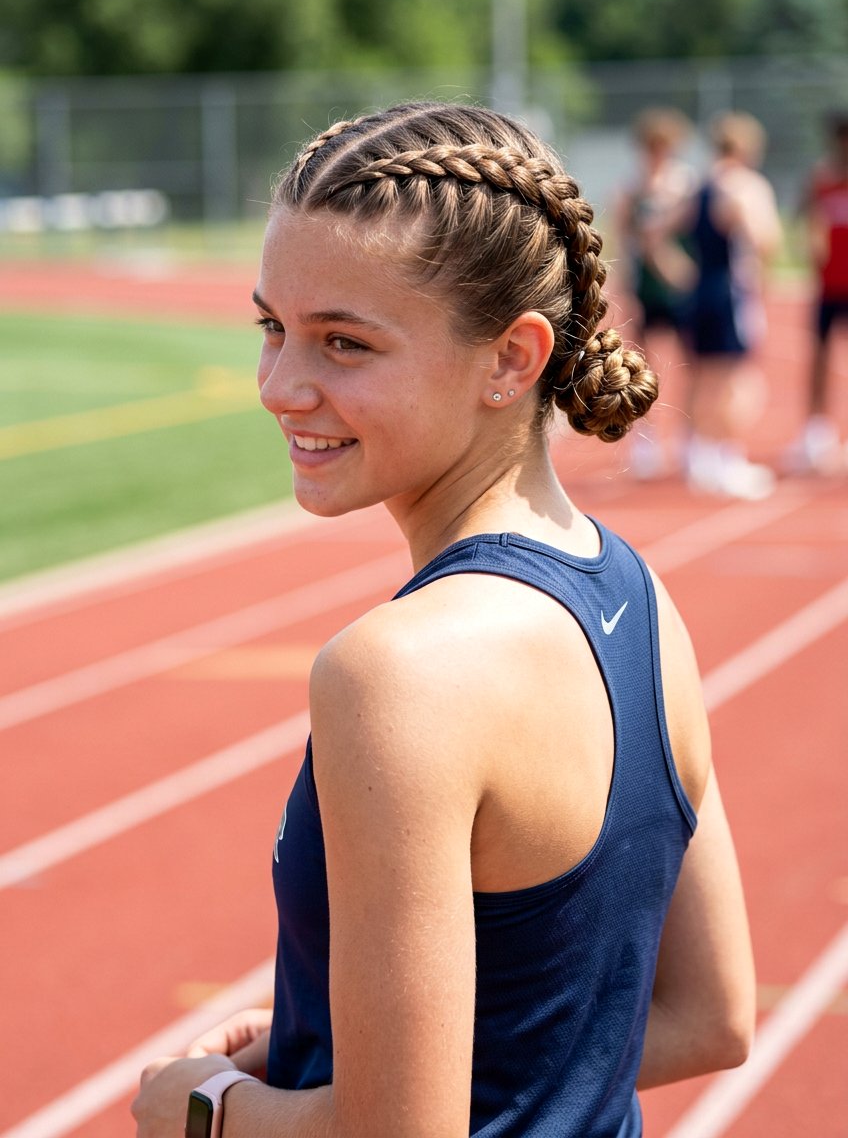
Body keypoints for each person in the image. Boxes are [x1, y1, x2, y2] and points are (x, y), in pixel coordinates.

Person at [132, 102, 755, 1138]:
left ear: (510, 359)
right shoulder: (639, 595)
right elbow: (708, 1018)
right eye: (272, 328)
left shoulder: (398, 672)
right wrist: (358, 1039)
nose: (280, 386)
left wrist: (204, 1108)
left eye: (343, 343)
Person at [677, 111, 783, 499]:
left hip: (700, 290)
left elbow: (655, 230)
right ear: (746, 147)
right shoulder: (745, 186)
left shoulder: (698, 186)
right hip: (731, 293)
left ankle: (700, 457)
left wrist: (679, 272)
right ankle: (726, 461)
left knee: (703, 377)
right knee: (736, 380)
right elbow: (764, 240)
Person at [614, 108, 695, 478]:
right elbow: (623, 239)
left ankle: (688, 439)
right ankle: (645, 441)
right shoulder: (631, 188)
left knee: (690, 363)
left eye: (664, 146)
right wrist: (626, 283)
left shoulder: (685, 185)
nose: (658, 153)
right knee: (642, 366)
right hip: (647, 287)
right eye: (652, 146)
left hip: (680, 285)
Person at [785, 112, 848, 472]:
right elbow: (801, 217)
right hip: (829, 285)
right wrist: (806, 246)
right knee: (820, 360)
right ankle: (815, 434)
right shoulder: (822, 180)